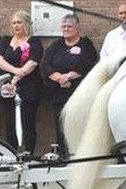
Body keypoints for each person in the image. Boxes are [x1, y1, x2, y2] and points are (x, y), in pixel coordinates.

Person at [41, 14, 97, 157]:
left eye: (70, 26)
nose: (66, 29)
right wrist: (59, 78)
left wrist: (69, 76)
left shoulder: (86, 44)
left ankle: (80, 156)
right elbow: (45, 65)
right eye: (64, 26)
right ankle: (63, 155)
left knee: (79, 125)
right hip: (58, 94)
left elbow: (88, 64)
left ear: (77, 28)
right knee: (60, 127)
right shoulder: (56, 45)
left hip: (78, 93)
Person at [0, 10, 43, 153]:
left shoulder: (34, 41)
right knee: (10, 122)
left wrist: (15, 80)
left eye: (19, 22)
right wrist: (15, 72)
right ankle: (12, 152)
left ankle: (28, 153)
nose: (16, 25)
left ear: (26, 23)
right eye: (14, 22)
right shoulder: (5, 40)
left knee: (28, 122)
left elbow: (32, 63)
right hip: (7, 88)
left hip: (28, 88)